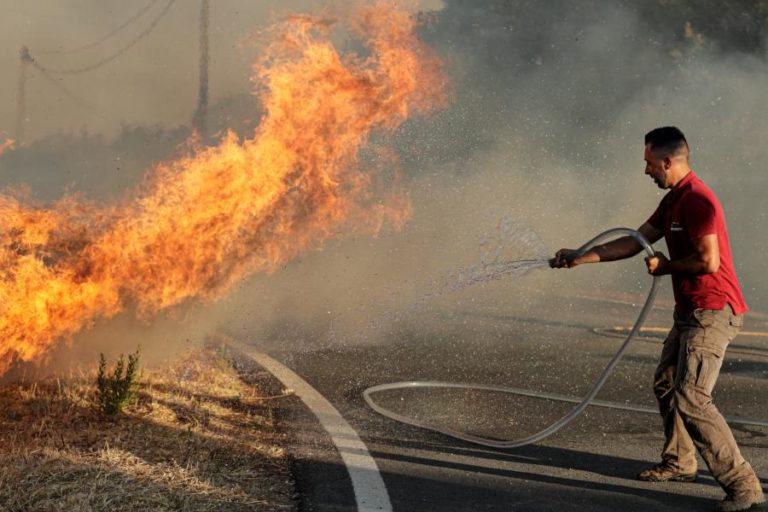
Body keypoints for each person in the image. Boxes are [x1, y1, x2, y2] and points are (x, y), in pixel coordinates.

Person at [552, 127, 765, 512]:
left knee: (693, 397)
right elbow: (635, 240)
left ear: (668, 161)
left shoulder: (699, 201)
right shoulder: (673, 201)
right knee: (667, 384)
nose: (646, 170)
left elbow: (708, 262)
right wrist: (582, 255)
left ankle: (744, 486)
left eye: (650, 163)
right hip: (689, 312)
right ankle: (680, 462)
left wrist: (666, 267)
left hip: (713, 312)